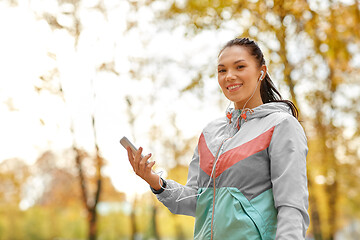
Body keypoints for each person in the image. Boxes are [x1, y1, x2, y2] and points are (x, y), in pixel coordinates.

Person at [126, 37, 310, 240]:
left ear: (261, 72)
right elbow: (196, 201)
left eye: (239, 67)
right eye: (222, 70)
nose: (229, 76)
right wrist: (154, 181)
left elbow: (292, 206)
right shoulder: (210, 133)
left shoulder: (280, 125)